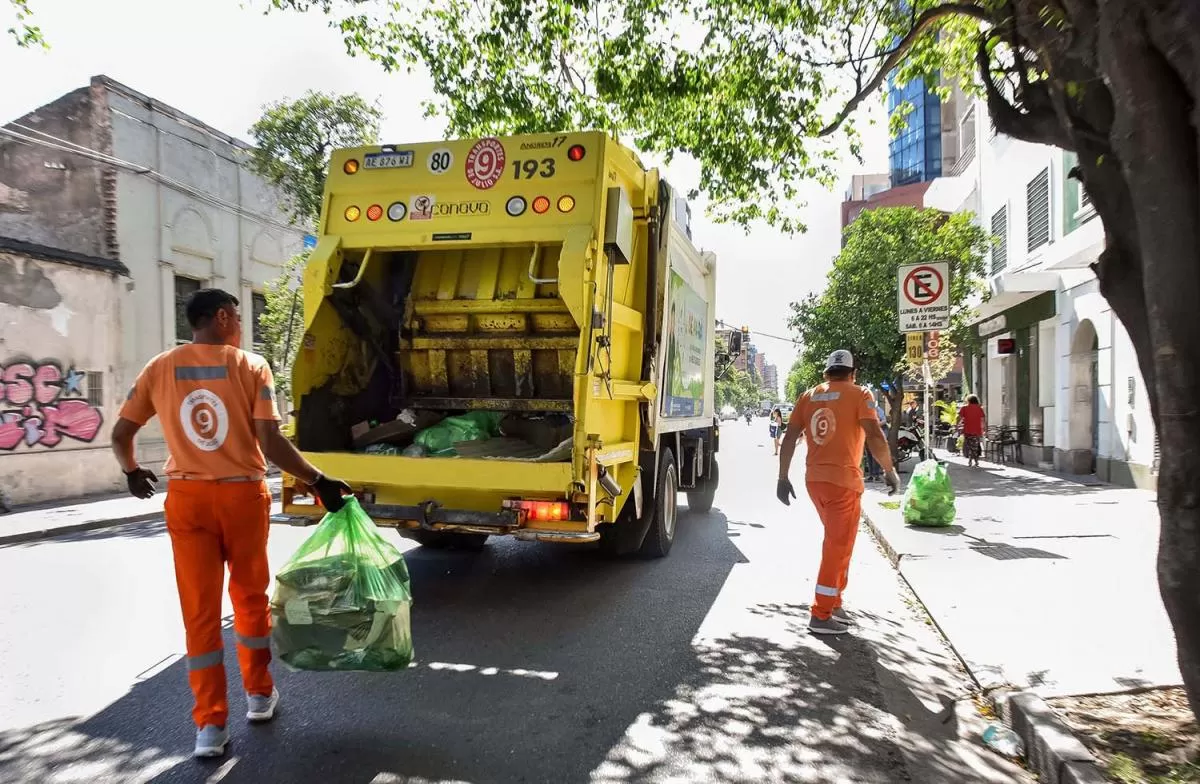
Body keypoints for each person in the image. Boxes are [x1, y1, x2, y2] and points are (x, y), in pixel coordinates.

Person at [111, 288, 352, 758]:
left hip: (188, 500)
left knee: (199, 613)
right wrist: (317, 480)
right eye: (238, 317)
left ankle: (210, 727)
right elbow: (269, 441)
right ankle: (260, 695)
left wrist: (131, 471)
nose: (240, 325)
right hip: (242, 495)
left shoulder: (159, 368)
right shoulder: (250, 365)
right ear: (222, 317)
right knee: (248, 598)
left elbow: (122, 434)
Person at [776, 350, 899, 636]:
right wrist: (889, 470)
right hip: (843, 482)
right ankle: (820, 614)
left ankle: (834, 603)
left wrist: (782, 477)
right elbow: (875, 435)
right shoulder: (860, 395)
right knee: (837, 546)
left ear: (826, 373)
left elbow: (790, 437)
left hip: (815, 482)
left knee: (840, 542)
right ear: (852, 373)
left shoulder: (808, 396)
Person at [957, 394, 987, 468]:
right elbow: (982, 420)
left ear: (968, 400)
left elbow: (959, 417)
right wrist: (984, 429)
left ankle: (971, 460)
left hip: (967, 429)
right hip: (976, 430)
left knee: (970, 446)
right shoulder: (979, 408)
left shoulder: (964, 408)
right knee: (975, 446)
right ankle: (975, 460)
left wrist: (957, 425)